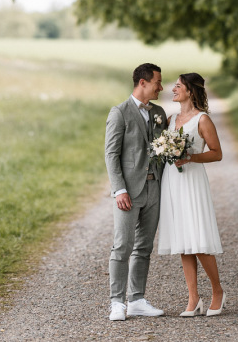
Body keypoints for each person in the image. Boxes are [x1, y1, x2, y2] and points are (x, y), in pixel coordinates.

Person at [157, 72, 225, 317]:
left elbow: (217, 153)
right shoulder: (171, 118)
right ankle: (193, 298)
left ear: (190, 91)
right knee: (183, 240)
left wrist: (190, 157)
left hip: (193, 180)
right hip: (173, 180)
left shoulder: (202, 120)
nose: (173, 89)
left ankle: (218, 291)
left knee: (198, 238)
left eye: (178, 86)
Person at [104, 63, 168, 322]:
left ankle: (138, 299)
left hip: (155, 188)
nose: (161, 87)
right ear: (143, 82)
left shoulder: (160, 112)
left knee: (144, 247)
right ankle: (117, 302)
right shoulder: (119, 112)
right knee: (122, 246)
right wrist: (119, 189)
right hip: (129, 191)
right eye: (157, 82)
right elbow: (111, 154)